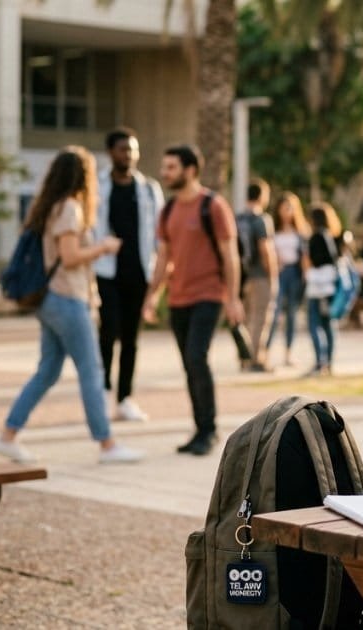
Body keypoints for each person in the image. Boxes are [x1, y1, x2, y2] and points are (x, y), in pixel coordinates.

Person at [0, 147, 143, 464]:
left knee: (48, 370)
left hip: (52, 299)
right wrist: (104, 247)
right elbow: (71, 256)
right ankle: (107, 444)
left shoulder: (51, 206)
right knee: (91, 370)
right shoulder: (70, 208)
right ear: (83, 177)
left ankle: (8, 435)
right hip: (66, 298)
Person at [142, 145, 243, 456]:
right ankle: (200, 428)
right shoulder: (169, 210)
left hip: (209, 294)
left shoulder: (213, 206)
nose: (165, 172)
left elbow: (230, 254)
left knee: (196, 356)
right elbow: (164, 258)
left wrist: (233, 297)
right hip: (178, 298)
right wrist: (152, 297)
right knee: (189, 363)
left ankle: (209, 430)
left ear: (189, 170)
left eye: (171, 167)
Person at [93, 127, 164, 423]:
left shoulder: (148, 189)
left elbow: (160, 235)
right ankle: (102, 394)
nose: (130, 155)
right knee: (107, 334)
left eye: (133, 150)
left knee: (132, 340)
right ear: (112, 152)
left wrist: (159, 278)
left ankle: (125, 399)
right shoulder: (97, 186)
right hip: (106, 272)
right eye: (124, 149)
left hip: (139, 273)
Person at [235, 178, 278, 371]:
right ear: (262, 196)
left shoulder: (238, 218)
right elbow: (265, 248)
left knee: (244, 318)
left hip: (241, 276)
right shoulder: (262, 219)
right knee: (260, 318)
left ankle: (243, 357)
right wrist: (273, 275)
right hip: (260, 275)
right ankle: (256, 359)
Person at [265, 192, 309, 366]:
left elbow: (305, 256)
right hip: (279, 273)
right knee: (274, 314)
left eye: (289, 208)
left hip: (295, 274)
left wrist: (306, 276)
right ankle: (265, 352)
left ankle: (288, 353)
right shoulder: (272, 230)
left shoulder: (300, 232)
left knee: (291, 314)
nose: (286, 211)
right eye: (284, 208)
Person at [304, 202, 342, 376]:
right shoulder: (329, 236)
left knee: (314, 324)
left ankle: (320, 361)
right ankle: (329, 362)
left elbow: (314, 260)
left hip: (318, 286)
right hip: (329, 286)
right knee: (328, 325)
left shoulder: (316, 237)